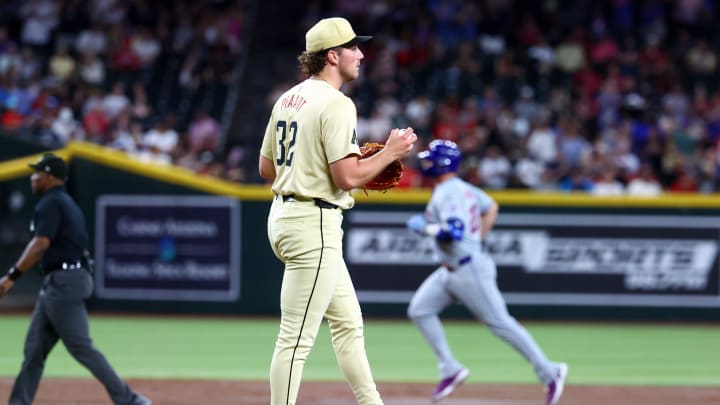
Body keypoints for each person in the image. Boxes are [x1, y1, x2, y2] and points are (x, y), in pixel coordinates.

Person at [258, 17, 417, 405]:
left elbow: (266, 168)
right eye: (353, 47)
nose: (361, 54)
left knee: (348, 323)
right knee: (295, 339)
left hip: (285, 217)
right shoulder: (337, 103)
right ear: (333, 56)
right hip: (314, 224)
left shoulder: (288, 98)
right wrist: (391, 154)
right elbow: (347, 177)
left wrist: (319, 163)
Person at [406, 140, 568, 404]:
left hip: (469, 270)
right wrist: (477, 237)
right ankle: (450, 368)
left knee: (501, 324)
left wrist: (425, 228)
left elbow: (453, 232)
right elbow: (491, 207)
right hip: (451, 270)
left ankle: (550, 372)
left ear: (442, 163)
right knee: (420, 310)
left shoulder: (450, 192)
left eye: (429, 159)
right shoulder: (463, 189)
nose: (425, 163)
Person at [0, 153, 151, 405]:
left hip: (64, 282)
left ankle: (130, 399)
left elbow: (40, 244)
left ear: (49, 176)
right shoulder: (66, 203)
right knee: (34, 352)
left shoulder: (51, 203)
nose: (33, 178)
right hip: (62, 280)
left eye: (37, 173)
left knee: (81, 347)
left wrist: (11, 277)